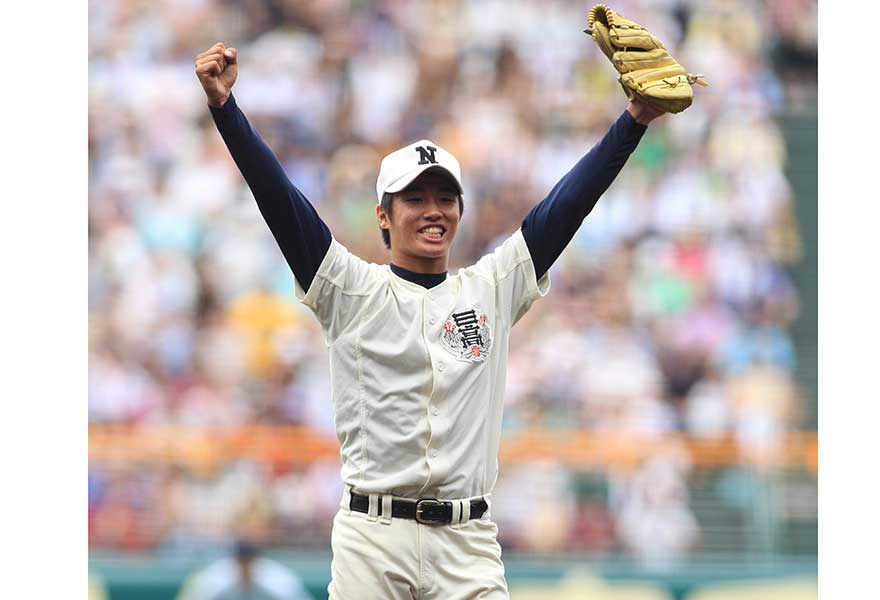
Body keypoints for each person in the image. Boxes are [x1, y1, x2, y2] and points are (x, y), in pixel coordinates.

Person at [195, 37, 664, 599]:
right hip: (374, 539)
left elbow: (565, 207)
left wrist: (634, 119)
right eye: (414, 199)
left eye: (446, 197)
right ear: (384, 216)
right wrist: (227, 110)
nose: (433, 210)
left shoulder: (489, 287)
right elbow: (278, 199)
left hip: (467, 542)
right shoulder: (350, 288)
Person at [176, 539, 313, 600]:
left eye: (248, 561)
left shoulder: (276, 580)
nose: (245, 566)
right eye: (242, 561)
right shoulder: (215, 578)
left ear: (256, 560)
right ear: (235, 560)